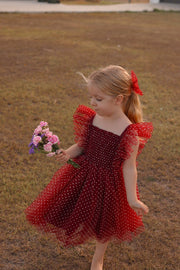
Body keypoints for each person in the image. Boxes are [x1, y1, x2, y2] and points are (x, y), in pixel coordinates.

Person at [25, 65, 153, 270]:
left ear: (118, 99)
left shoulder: (128, 132)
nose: (92, 102)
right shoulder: (94, 118)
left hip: (109, 183)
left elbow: (129, 167)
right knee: (73, 208)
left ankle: (98, 258)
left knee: (105, 222)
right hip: (83, 174)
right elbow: (84, 145)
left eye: (98, 99)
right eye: (91, 97)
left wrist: (132, 198)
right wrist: (67, 152)